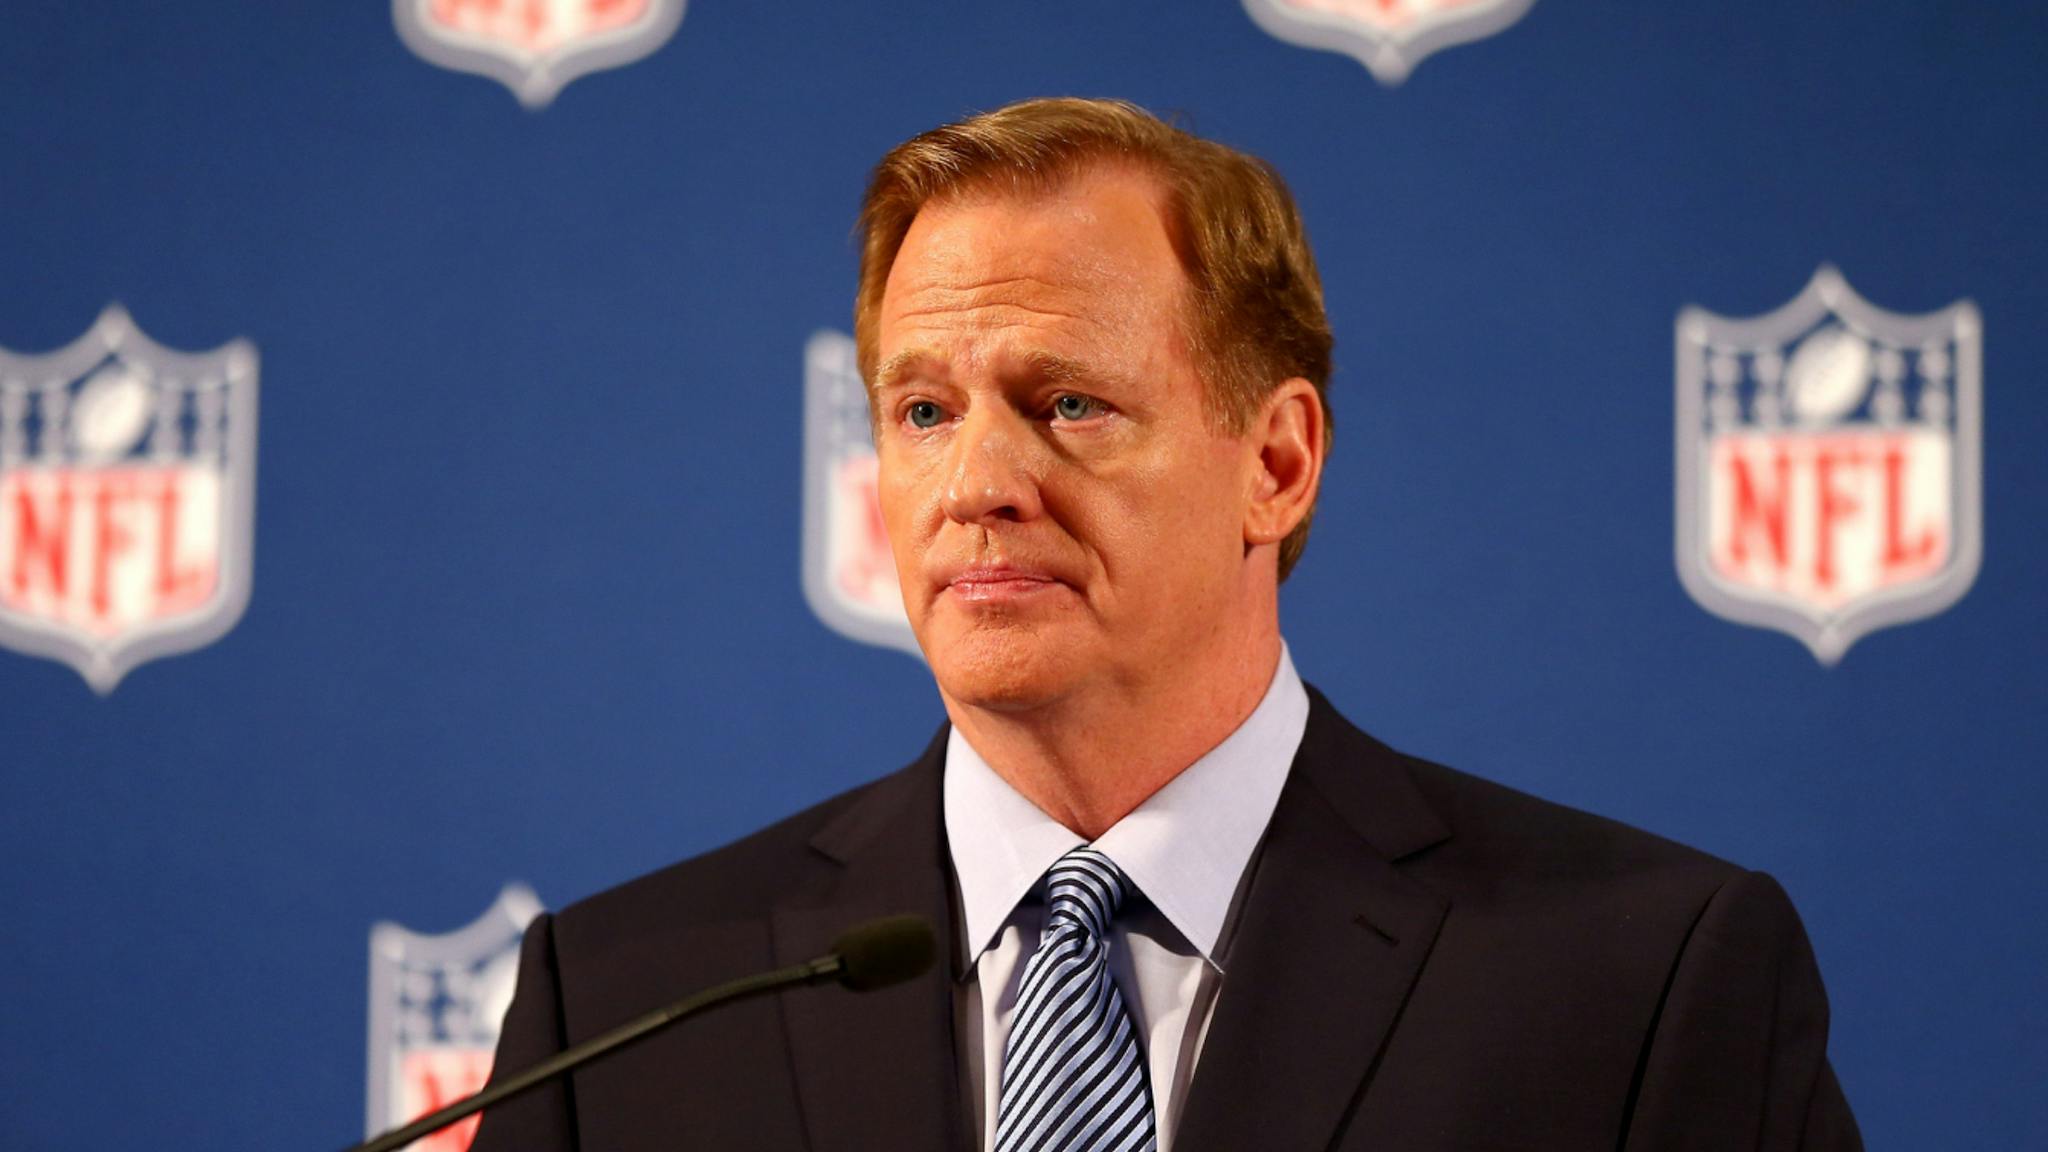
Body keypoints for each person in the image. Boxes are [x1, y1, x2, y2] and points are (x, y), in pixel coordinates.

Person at [471, 98, 1862, 1151]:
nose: (977, 485)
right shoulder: (622, 1011)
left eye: (1069, 403)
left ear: (1277, 464)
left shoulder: (1640, 983)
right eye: (924, 411)